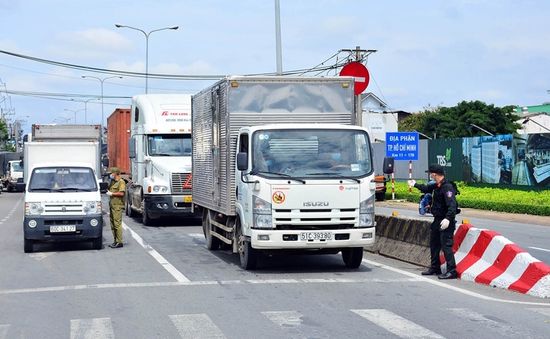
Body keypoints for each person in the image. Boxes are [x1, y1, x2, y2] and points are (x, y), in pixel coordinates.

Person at [408, 164, 458, 279]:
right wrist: (415, 184)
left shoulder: (447, 187)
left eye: (430, 173)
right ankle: (435, 267)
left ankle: (452, 270)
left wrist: (448, 219)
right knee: (434, 244)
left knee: (446, 246)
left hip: (446, 221)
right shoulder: (437, 185)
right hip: (437, 220)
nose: (430, 175)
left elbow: (452, 205)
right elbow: (426, 188)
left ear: (435, 174)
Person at [106, 167, 126, 248]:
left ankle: (119, 242)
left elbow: (121, 193)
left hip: (117, 206)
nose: (110, 175)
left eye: (111, 173)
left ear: (115, 173)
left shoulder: (121, 182)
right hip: (112, 205)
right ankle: (115, 241)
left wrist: (112, 194)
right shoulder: (113, 182)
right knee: (112, 224)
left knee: (117, 224)